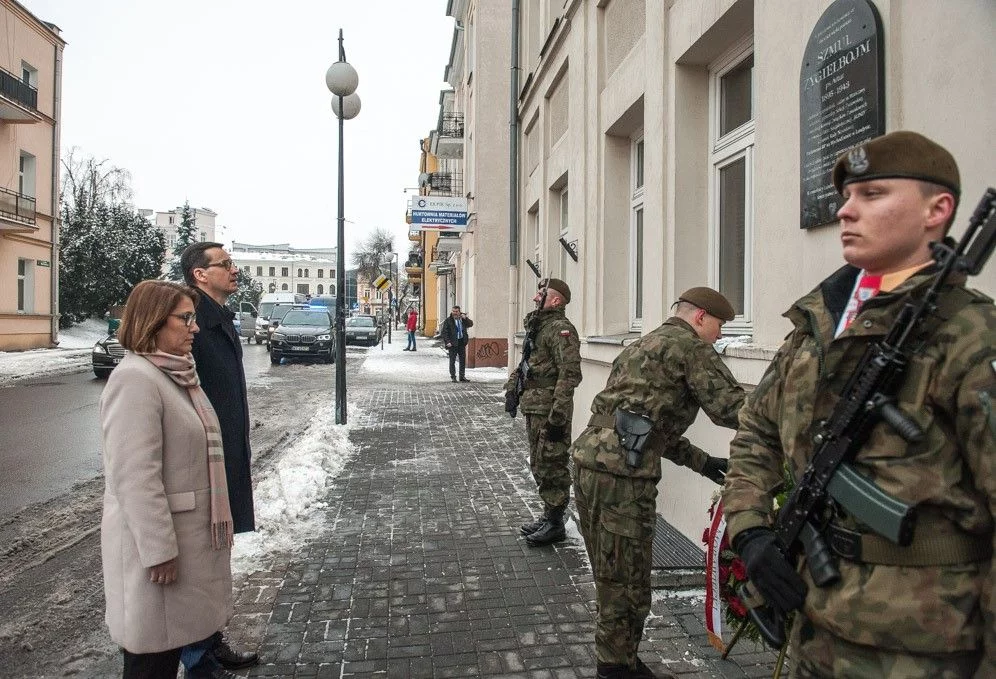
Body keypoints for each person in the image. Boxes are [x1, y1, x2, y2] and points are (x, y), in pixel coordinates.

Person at [722, 131, 996, 678]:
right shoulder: (818, 321)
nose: (846, 210)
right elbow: (757, 430)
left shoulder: (970, 335)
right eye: (847, 195)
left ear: (936, 210)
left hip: (921, 647)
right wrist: (750, 529)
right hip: (816, 626)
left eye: (872, 194)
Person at [571, 287, 745, 679]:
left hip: (589, 466)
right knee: (627, 583)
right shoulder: (691, 347)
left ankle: (622, 662)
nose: (720, 336)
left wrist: (703, 463)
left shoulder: (642, 345)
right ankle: (615, 670)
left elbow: (644, 426)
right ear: (700, 316)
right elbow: (732, 408)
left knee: (612, 576)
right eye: (719, 326)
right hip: (622, 478)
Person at [99, 280, 233, 679]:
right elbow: (134, 476)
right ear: (153, 321)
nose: (193, 327)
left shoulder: (176, 374)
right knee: (150, 661)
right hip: (159, 551)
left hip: (184, 543)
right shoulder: (136, 379)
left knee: (166, 649)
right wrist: (157, 550)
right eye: (185, 318)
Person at [179, 242, 259, 677]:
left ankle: (208, 641)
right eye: (225, 264)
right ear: (199, 275)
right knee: (200, 559)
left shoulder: (216, 318)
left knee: (215, 555)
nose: (234, 269)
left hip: (223, 453)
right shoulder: (190, 322)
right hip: (201, 463)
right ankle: (198, 656)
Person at [506, 278, 582, 547]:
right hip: (534, 406)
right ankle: (550, 514)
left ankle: (556, 523)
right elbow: (527, 364)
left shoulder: (561, 330)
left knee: (552, 463)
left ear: (556, 300)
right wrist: (512, 390)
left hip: (549, 409)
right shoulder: (539, 328)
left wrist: (558, 417)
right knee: (538, 462)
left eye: (542, 294)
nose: (535, 298)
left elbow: (569, 374)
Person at [440, 305, 474, 382]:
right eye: (453, 311)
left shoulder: (463, 319)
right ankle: (453, 377)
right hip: (452, 343)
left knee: (462, 360)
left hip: (462, 342)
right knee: (452, 361)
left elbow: (471, 324)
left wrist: (465, 318)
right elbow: (444, 332)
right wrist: (447, 342)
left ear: (459, 312)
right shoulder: (448, 321)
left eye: (456, 311)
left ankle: (462, 376)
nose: (454, 313)